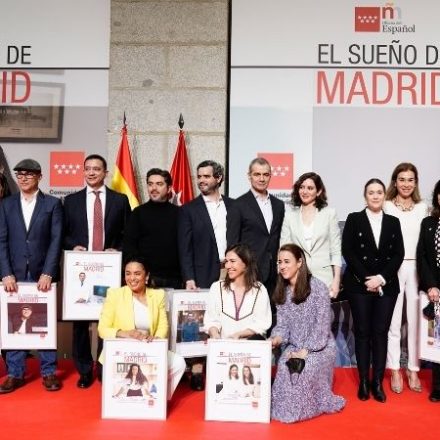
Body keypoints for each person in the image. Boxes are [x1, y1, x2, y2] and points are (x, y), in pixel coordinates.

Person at [63, 154, 131, 389]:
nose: (91, 173)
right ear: (83, 172)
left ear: (105, 173)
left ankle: (103, 367)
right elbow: (63, 234)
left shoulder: (120, 200)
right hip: (81, 268)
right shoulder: (70, 202)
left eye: (96, 169)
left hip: (108, 271)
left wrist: (118, 249)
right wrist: (73, 245)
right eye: (88, 169)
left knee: (108, 319)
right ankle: (84, 370)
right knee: (81, 322)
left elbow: (127, 235)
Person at [0, 159, 63, 393]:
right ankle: (15, 373)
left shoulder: (53, 204)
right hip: (14, 275)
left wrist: (49, 271)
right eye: (19, 174)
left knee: (43, 323)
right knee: (15, 323)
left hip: (41, 274)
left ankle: (48, 372)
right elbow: (2, 241)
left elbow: (56, 240)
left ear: (39, 177)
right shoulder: (6, 205)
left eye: (29, 174)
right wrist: (5, 273)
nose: (23, 178)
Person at [342, 178, 404, 403]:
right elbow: (347, 250)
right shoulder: (354, 219)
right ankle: (363, 382)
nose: (375, 196)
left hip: (386, 286)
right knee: (362, 332)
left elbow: (398, 254)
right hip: (359, 284)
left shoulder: (393, 222)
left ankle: (377, 382)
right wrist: (367, 279)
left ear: (384, 195)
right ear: (365, 195)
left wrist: (380, 278)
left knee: (380, 333)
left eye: (379, 192)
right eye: (371, 192)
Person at [271, 244, 345, 423]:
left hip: (320, 348)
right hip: (294, 346)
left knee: (303, 368)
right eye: (280, 262)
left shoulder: (318, 288)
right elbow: (282, 326)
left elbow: (322, 327)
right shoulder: (282, 291)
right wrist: (276, 339)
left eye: (287, 261)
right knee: (284, 366)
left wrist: (306, 351)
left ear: (299, 262)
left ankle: (305, 408)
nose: (282, 266)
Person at [98, 257, 186, 400]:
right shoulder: (114, 294)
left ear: (146, 276)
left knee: (178, 363)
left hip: (148, 348)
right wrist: (126, 334)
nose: (132, 278)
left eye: (137, 273)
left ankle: (160, 399)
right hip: (121, 350)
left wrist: (156, 339)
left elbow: (163, 325)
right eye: (128, 273)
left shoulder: (158, 295)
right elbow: (102, 329)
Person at [384, 163, 428, 394]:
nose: (406, 184)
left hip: (416, 270)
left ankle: (413, 368)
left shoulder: (423, 208)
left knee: (414, 323)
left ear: (416, 182)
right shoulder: (386, 206)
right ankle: (394, 369)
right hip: (393, 269)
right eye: (402, 179)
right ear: (395, 181)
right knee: (392, 322)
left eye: (410, 179)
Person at [227, 158, 285, 299]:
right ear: (249, 176)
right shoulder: (238, 205)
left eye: (265, 174)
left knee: (272, 314)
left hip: (274, 273)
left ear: (270, 176)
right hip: (249, 271)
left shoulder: (278, 205)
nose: (261, 178)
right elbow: (233, 243)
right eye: (257, 174)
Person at [280, 172, 341, 298]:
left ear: (318, 192)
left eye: (310, 188)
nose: (305, 191)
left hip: (324, 279)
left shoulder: (329, 214)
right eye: (301, 187)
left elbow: (336, 250)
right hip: (296, 279)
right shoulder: (290, 216)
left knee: (322, 317)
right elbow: (284, 248)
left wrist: (336, 281)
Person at [178, 160, 234, 290]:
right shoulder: (188, 210)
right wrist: (189, 278)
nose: (201, 180)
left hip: (232, 273)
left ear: (218, 178)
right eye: (199, 177)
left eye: (206, 176)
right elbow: (184, 249)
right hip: (202, 276)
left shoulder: (234, 206)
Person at [123, 168, 182, 288]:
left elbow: (185, 248)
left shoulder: (180, 213)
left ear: (169, 188)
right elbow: (130, 247)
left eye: (159, 184)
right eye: (150, 184)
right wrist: (143, 275)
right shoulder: (138, 213)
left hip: (175, 280)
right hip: (147, 280)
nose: (154, 188)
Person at [204, 243, 272, 340]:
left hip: (250, 348)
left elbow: (261, 323)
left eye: (232, 261)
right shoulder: (216, 288)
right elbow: (211, 320)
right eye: (226, 261)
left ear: (245, 263)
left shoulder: (259, 289)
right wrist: (214, 334)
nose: (227, 266)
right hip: (223, 348)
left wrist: (239, 334)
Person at [416, 180, 440, 402]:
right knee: (437, 341)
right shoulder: (428, 223)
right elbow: (422, 257)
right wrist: (431, 284)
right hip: (435, 292)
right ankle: (438, 387)